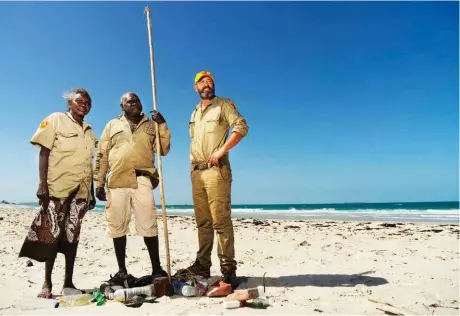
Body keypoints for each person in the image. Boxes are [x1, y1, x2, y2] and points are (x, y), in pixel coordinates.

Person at [19, 88, 97, 298]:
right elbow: (44, 152)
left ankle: (68, 283)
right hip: (57, 189)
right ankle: (47, 283)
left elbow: (88, 165)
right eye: (79, 101)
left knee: (72, 238)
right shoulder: (55, 119)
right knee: (50, 236)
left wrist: (91, 193)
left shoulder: (89, 131)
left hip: (81, 194)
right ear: (69, 103)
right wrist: (42, 184)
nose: (84, 104)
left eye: (88, 102)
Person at [176, 71, 249, 286]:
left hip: (216, 170)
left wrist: (221, 151)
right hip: (196, 172)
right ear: (195, 87)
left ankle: (228, 269)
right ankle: (202, 265)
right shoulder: (194, 113)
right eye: (202, 82)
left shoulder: (224, 105)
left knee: (220, 221)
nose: (207, 84)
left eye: (210, 81)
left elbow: (241, 127)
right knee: (203, 222)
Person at [94, 92, 171, 285]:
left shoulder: (151, 124)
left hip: (143, 179)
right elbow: (102, 155)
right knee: (117, 226)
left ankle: (156, 268)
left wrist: (162, 125)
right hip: (117, 181)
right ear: (122, 107)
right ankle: (121, 270)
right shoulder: (112, 125)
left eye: (137, 100)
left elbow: (164, 149)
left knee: (148, 224)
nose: (134, 103)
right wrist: (99, 182)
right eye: (130, 101)